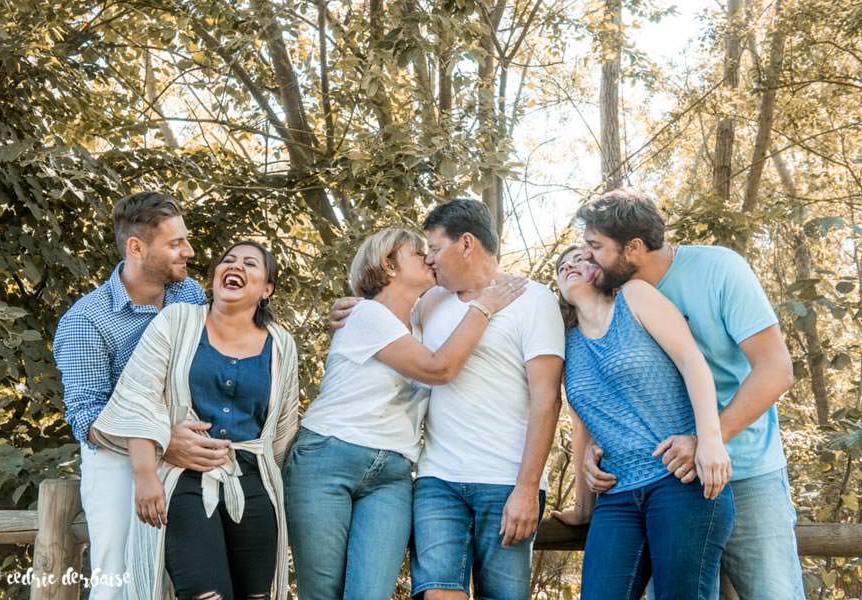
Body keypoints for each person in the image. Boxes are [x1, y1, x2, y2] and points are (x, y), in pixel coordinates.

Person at [573, 189, 802, 598]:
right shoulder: (610, 295)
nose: (586, 257)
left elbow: (776, 370)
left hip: (746, 468)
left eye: (595, 247)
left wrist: (708, 438)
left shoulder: (718, 269)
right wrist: (600, 445)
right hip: (672, 481)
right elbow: (607, 384)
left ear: (635, 247)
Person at [330, 200, 565, 599]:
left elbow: (547, 400)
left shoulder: (533, 299)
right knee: (438, 594)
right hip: (438, 479)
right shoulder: (430, 302)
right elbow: (390, 331)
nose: (431, 260)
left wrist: (527, 488)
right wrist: (348, 308)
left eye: (436, 249)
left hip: (506, 480)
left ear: (467, 244)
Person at [286, 228, 525, 600]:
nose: (430, 258)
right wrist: (485, 306)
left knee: (370, 594)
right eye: (418, 253)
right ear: (388, 264)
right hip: (328, 458)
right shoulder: (365, 314)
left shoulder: (423, 327)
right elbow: (437, 369)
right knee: (322, 594)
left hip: (393, 473)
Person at [91, 240, 299, 600]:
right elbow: (140, 398)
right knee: (206, 595)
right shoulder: (177, 320)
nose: (235, 266)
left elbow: (283, 428)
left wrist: (271, 481)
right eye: (228, 259)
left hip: (255, 484)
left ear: (267, 288)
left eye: (250, 263)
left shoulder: (282, 343)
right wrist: (144, 474)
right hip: (183, 481)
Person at [53, 191, 231, 599]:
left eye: (184, 239)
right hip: (117, 463)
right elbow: (87, 419)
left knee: (196, 578)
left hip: (193, 449)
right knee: (118, 579)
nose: (188, 250)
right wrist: (161, 444)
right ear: (137, 248)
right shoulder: (86, 321)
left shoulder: (188, 296)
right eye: (175, 243)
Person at [553, 244, 734, 598]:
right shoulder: (566, 341)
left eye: (582, 258)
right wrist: (583, 506)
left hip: (680, 480)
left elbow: (692, 362)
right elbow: (582, 428)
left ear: (603, 270)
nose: (570, 265)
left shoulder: (634, 297)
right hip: (616, 496)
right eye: (562, 265)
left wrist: (710, 442)